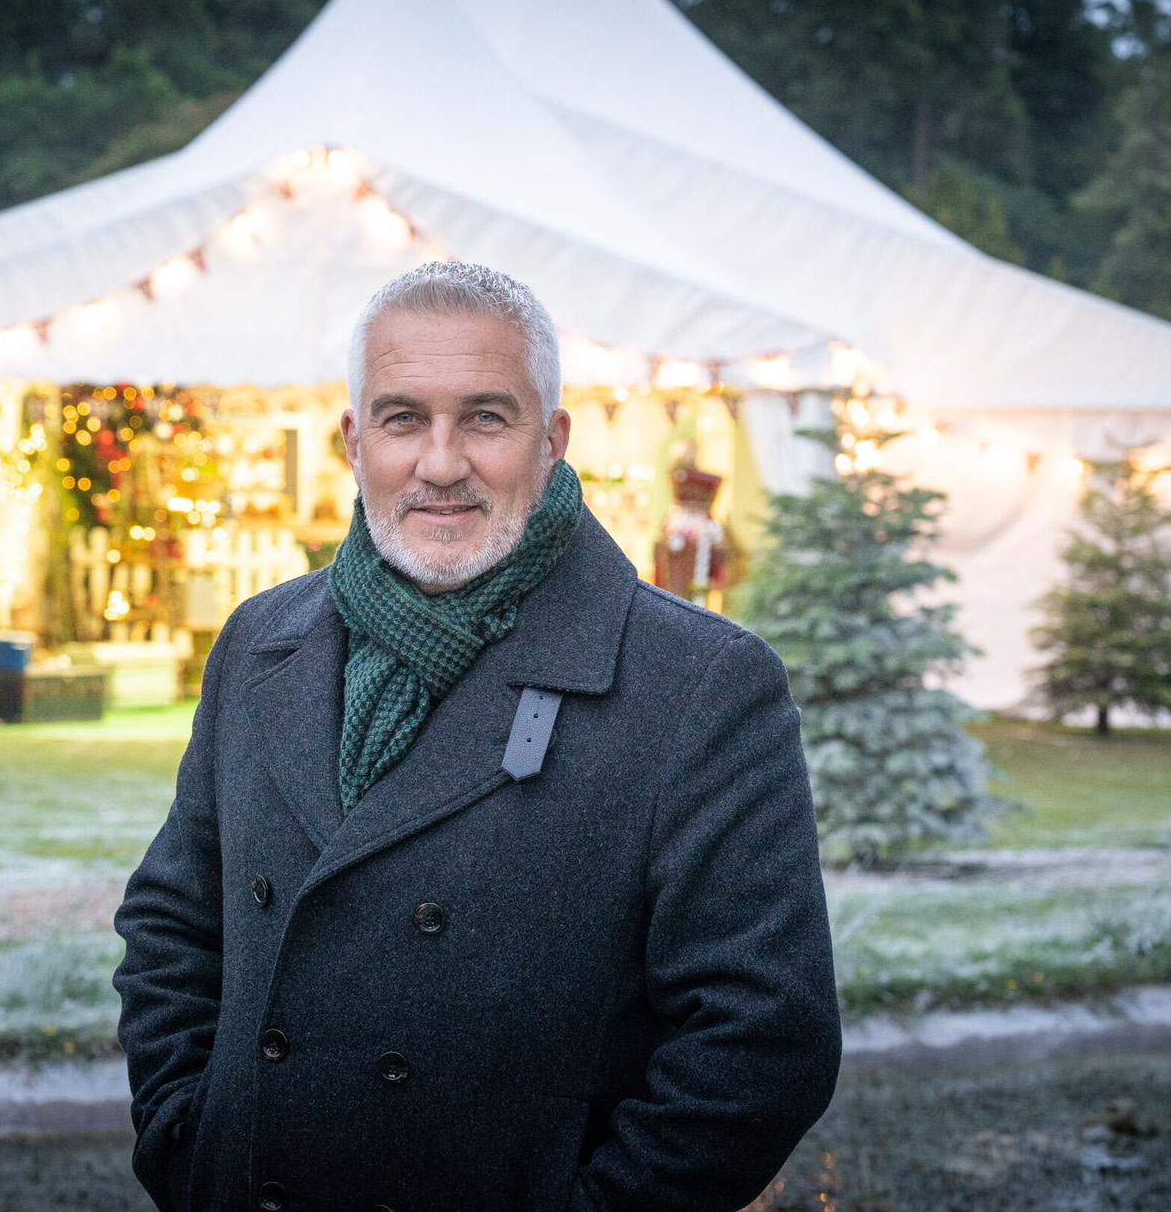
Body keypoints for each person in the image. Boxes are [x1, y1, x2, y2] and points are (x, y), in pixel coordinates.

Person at [114, 262, 840, 1212]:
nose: (441, 462)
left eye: (486, 418)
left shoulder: (698, 685)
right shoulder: (261, 644)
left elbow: (764, 1041)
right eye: (403, 418)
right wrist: (187, 1140)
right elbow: (173, 919)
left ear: (553, 440)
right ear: (354, 439)